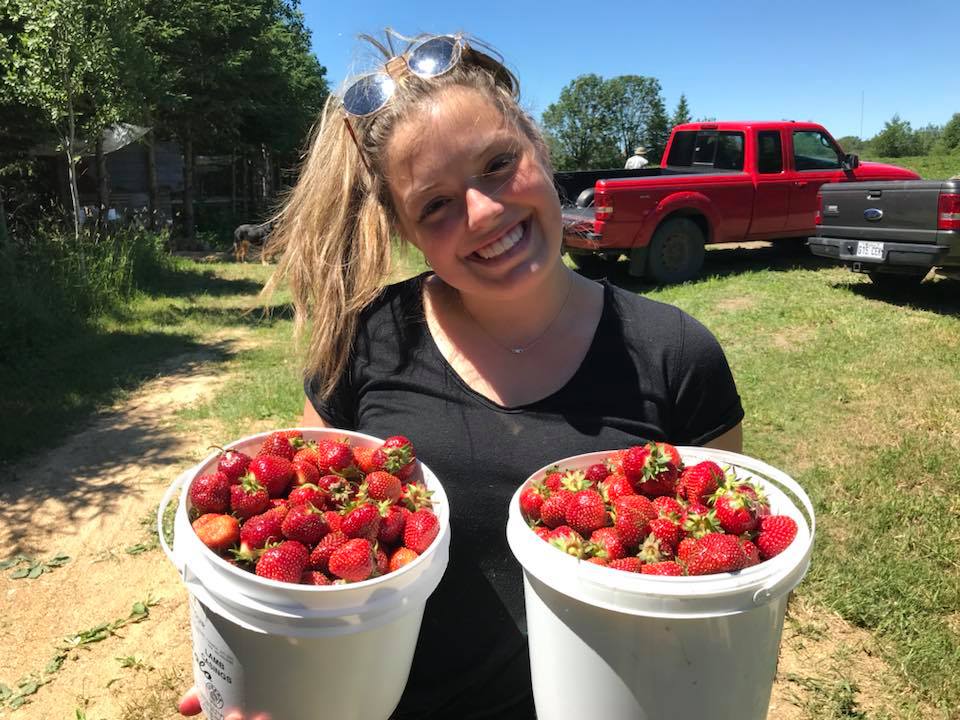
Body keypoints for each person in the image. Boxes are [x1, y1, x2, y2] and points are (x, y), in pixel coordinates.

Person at [179, 29, 743, 720]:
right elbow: (303, 552)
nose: (483, 213)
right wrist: (263, 672)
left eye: (499, 164)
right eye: (436, 205)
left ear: (538, 146)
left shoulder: (678, 354)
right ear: (405, 230)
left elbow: (731, 583)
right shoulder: (364, 342)